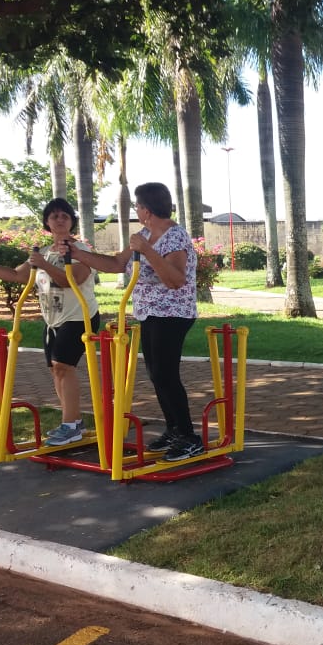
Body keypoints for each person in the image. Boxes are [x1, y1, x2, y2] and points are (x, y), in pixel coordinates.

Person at [80, 182, 202, 462]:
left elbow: (176, 279)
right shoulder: (144, 235)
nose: (136, 210)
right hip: (149, 313)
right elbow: (115, 264)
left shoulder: (175, 236)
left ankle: (188, 436)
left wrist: (148, 251)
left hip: (173, 314)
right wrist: (78, 254)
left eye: (137, 206)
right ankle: (174, 430)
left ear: (146, 210)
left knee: (165, 374)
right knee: (156, 374)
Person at [0, 198, 100, 446]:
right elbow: (16, 275)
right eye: (54, 216)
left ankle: (71, 426)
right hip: (53, 319)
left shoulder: (80, 250)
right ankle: (73, 421)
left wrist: (44, 265)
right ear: (47, 222)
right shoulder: (44, 252)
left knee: (63, 366)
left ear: (72, 221)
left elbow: (71, 280)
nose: (60, 219)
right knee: (55, 370)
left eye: (65, 216)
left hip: (79, 316)